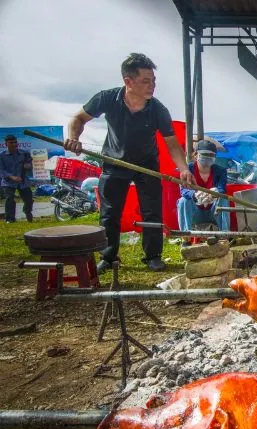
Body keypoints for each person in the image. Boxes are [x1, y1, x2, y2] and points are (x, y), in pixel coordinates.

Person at [64, 53, 195, 272]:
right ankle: (108, 257)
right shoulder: (107, 98)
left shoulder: (158, 109)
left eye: (153, 80)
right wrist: (73, 138)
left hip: (146, 165)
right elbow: (77, 119)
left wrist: (183, 169)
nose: (152, 86)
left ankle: (153, 256)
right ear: (128, 81)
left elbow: (172, 144)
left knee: (152, 211)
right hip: (114, 162)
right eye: (146, 81)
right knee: (110, 212)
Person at [177, 140, 229, 242]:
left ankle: (225, 236)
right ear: (196, 155)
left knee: (223, 200)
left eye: (211, 155)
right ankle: (186, 238)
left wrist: (214, 193)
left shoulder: (221, 171)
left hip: (213, 212)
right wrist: (195, 195)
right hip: (195, 212)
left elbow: (222, 189)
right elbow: (183, 190)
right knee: (183, 201)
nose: (208, 157)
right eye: (205, 154)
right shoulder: (188, 170)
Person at [0, 134, 34, 223]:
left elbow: (30, 164)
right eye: (11, 143)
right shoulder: (2, 156)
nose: (14, 144)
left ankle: (27, 211)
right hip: (8, 182)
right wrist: (11, 177)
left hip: (22, 181)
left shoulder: (24, 153)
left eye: (15, 142)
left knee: (29, 199)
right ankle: (10, 219)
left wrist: (28, 166)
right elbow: (1, 170)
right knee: (10, 199)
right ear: (6, 144)